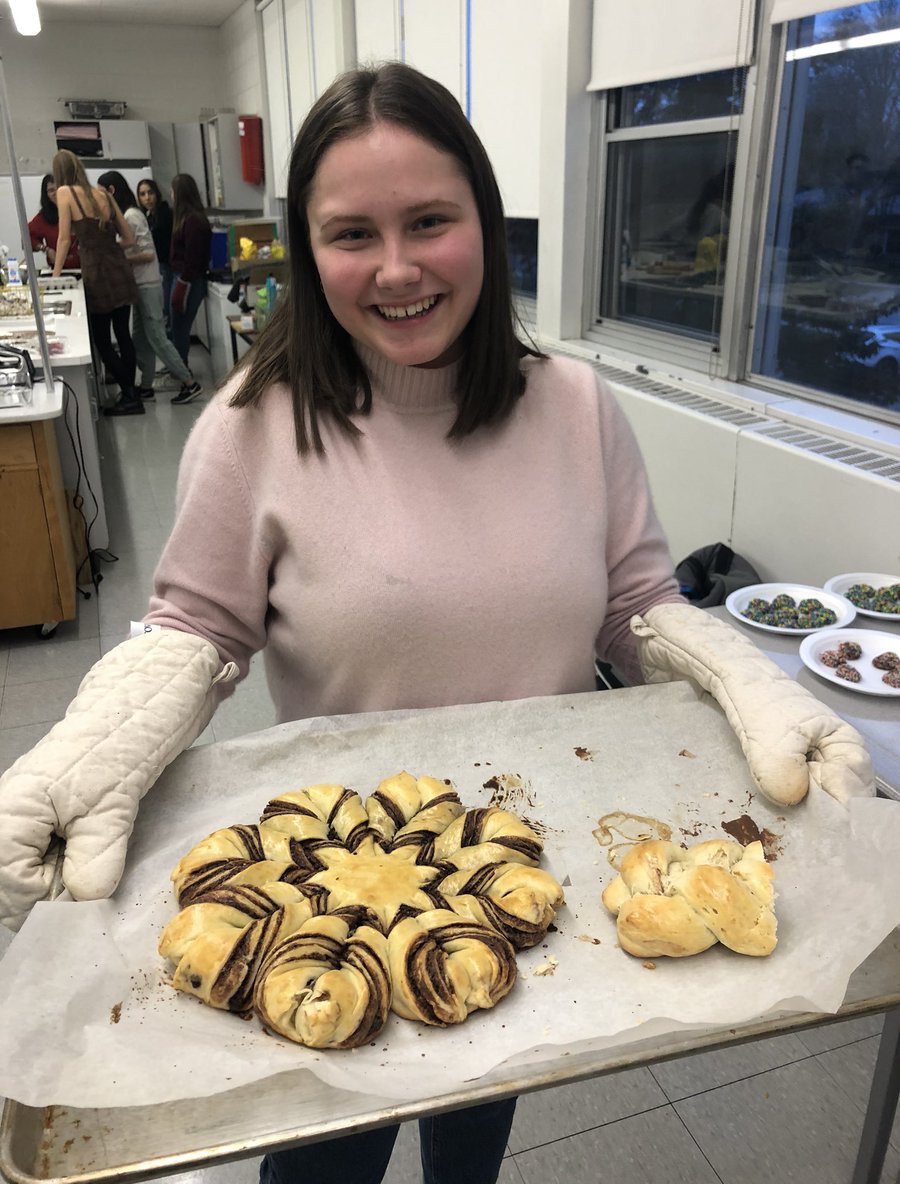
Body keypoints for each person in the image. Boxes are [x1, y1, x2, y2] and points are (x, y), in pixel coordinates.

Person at [0, 63, 875, 1184]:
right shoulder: (253, 425)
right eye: (352, 233)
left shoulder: (575, 408)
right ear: (308, 249)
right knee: (327, 1157)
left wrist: (751, 682)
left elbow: (637, 605)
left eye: (429, 221)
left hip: (515, 881)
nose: (398, 268)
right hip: (327, 904)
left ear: (485, 224)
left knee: (477, 1125)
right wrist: (95, 748)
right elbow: (199, 630)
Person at [51, 149, 143, 417]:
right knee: (123, 334)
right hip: (119, 269)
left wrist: (56, 277)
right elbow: (129, 239)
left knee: (102, 341)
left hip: (96, 273)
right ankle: (131, 393)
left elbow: (64, 239)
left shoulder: (65, 193)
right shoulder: (104, 195)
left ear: (59, 173)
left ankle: (129, 395)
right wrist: (108, 247)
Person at [98, 171, 201, 405]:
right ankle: (146, 386)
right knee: (140, 339)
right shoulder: (128, 215)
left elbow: (147, 254)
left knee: (157, 337)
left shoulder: (131, 216)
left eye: (101, 193)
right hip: (139, 285)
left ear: (111, 191)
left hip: (147, 284)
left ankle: (189, 383)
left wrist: (116, 257)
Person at [167, 173, 211, 403]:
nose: (171, 195)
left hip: (187, 280)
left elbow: (192, 259)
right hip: (186, 279)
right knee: (178, 328)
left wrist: (182, 286)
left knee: (180, 329)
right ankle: (181, 371)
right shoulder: (190, 218)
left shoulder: (192, 221)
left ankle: (185, 377)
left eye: (173, 191)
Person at [137, 177, 173, 327]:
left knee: (166, 308)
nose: (147, 198)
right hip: (157, 266)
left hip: (167, 265)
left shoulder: (165, 213)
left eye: (150, 193)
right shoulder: (148, 215)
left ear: (156, 193)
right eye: (143, 194)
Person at [27, 174, 80, 271]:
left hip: (87, 270)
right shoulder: (44, 217)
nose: (56, 193)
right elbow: (27, 237)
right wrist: (45, 249)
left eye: (59, 188)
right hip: (59, 271)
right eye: (51, 190)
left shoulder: (81, 210)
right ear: (46, 195)